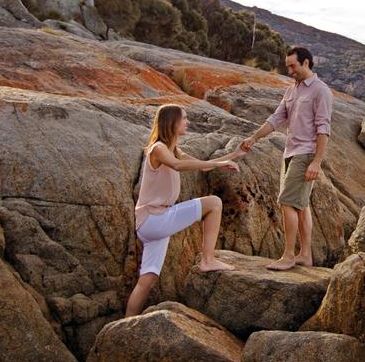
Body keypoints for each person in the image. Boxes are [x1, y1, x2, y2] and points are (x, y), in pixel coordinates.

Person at [126, 103, 247, 317]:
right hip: (155, 218)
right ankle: (207, 260)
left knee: (148, 279)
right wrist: (219, 164)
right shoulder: (159, 148)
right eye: (184, 118)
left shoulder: (173, 150)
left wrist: (233, 156)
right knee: (214, 203)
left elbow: (205, 165)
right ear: (172, 122)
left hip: (153, 223)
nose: (187, 122)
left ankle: (125, 325)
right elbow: (177, 166)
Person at [239, 45, 333, 271]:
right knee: (301, 205)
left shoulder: (320, 91)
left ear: (306, 63)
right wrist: (254, 138)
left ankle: (289, 256)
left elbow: (324, 128)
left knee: (286, 202)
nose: (290, 70)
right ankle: (305, 255)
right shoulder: (292, 91)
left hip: (306, 154)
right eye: (288, 66)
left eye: (293, 66)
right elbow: (276, 119)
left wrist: (316, 162)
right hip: (289, 153)